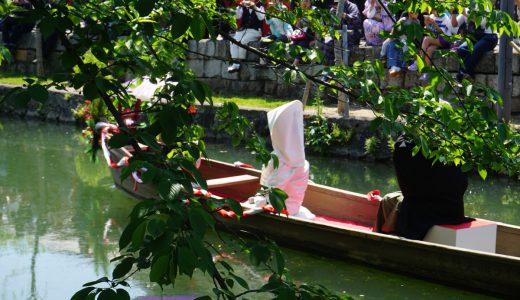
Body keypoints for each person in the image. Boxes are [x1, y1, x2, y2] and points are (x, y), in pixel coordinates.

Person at [392, 135, 473, 240]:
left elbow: (400, 144)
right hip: (453, 214)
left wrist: (408, 131)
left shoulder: (409, 149)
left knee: (389, 200)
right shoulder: (457, 148)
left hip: (418, 218)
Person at [260, 100, 315, 219]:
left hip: (280, 209)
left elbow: (273, 193)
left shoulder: (281, 160)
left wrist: (258, 200)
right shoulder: (301, 158)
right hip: (293, 207)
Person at [408, 10, 458, 81]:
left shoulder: (445, 16)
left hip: (445, 39)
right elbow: (429, 32)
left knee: (426, 39)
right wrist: (427, 23)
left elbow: (442, 32)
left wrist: (434, 23)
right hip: (436, 39)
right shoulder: (431, 16)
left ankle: (418, 61)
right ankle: (426, 72)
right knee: (429, 50)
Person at [455, 9, 498, 82]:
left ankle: (462, 73)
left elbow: (481, 23)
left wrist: (466, 15)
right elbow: (454, 24)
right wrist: (454, 12)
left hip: (489, 37)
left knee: (475, 49)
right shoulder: (466, 8)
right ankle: (470, 74)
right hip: (475, 37)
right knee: (461, 50)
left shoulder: (484, 6)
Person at [227, 0, 266, 73]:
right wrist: (239, 6)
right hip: (243, 30)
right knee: (233, 41)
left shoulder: (260, 5)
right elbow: (237, 16)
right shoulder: (244, 5)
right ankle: (235, 63)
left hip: (255, 30)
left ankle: (239, 61)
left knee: (243, 41)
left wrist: (254, 7)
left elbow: (261, 17)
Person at [381, 11, 420, 77]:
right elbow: (395, 26)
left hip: (407, 38)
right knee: (385, 43)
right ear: (410, 13)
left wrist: (411, 38)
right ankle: (382, 57)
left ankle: (405, 62)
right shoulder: (403, 19)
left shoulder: (417, 22)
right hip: (398, 36)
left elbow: (416, 34)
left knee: (405, 45)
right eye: (415, 13)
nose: (417, 15)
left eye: (417, 13)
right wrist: (392, 35)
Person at [258, 0, 293, 66]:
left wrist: (288, 33)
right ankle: (263, 62)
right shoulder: (270, 9)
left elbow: (286, 22)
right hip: (276, 34)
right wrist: (268, 12)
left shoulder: (283, 8)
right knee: (263, 42)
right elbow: (268, 22)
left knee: (278, 42)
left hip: (285, 33)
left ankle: (279, 62)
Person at [291, 0, 315, 66]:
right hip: (303, 35)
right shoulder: (300, 11)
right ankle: (298, 61)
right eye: (303, 1)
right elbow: (297, 28)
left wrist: (315, 41)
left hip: (312, 35)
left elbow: (320, 28)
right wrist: (299, 17)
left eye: (306, 1)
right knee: (294, 43)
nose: (304, 3)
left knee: (302, 43)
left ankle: (295, 63)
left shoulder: (314, 11)